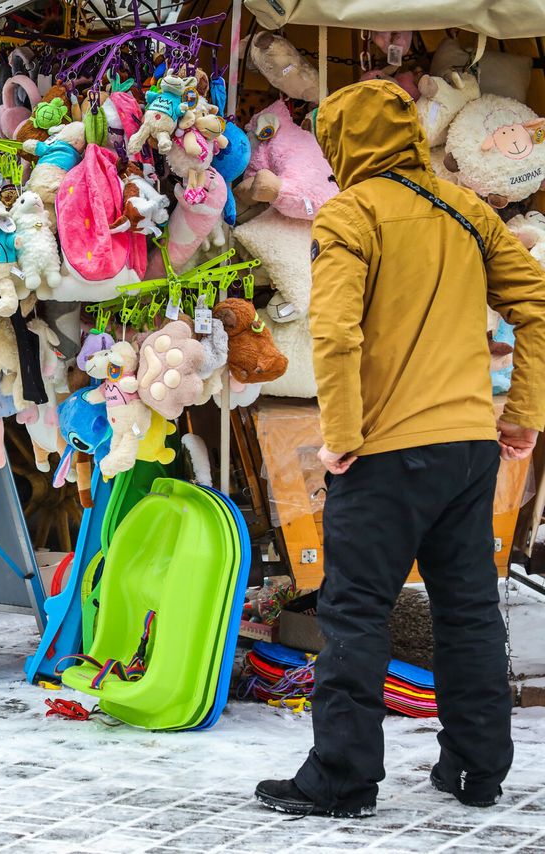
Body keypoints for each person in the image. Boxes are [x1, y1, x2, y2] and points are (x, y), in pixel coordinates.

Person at [254, 79, 545, 817]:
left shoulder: (351, 211)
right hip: (470, 448)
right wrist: (523, 414)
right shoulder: (466, 207)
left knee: (355, 613)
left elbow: (335, 329)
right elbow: (536, 305)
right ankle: (478, 769)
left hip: (385, 450)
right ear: (411, 136)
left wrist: (343, 435)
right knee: (469, 608)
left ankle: (342, 779)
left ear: (346, 144)